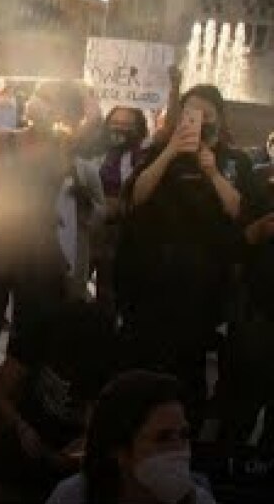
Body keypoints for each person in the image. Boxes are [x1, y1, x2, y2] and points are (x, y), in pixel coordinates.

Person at [118, 85, 260, 428]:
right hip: (153, 279)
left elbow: (238, 209)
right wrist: (170, 152)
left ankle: (185, 434)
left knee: (190, 364)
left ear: (218, 118)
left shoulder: (234, 160)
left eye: (205, 115)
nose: (198, 122)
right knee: (144, 358)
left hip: (204, 284)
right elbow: (136, 197)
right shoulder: (161, 151)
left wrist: (211, 171)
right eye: (190, 114)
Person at [0, 80, 93, 365]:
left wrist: (84, 96)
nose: (39, 102)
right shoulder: (5, 138)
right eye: (39, 95)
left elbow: (90, 123)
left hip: (39, 248)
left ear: (62, 113)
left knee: (31, 335)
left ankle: (14, 397)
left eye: (50, 100)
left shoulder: (64, 146)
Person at [0, 301, 118, 500]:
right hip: (29, 430)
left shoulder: (106, 359)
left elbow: (98, 429)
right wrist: (21, 427)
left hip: (74, 448)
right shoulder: (41, 332)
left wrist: (70, 456)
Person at [46, 371, 216, 504]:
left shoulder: (200, 500)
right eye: (162, 438)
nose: (179, 449)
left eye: (184, 435)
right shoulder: (73, 497)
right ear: (118, 449)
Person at [92, 106, 150, 312]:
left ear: (139, 129)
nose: (119, 129)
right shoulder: (95, 149)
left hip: (121, 232)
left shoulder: (143, 155)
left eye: (127, 125)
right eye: (115, 123)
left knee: (109, 291)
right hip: (89, 228)